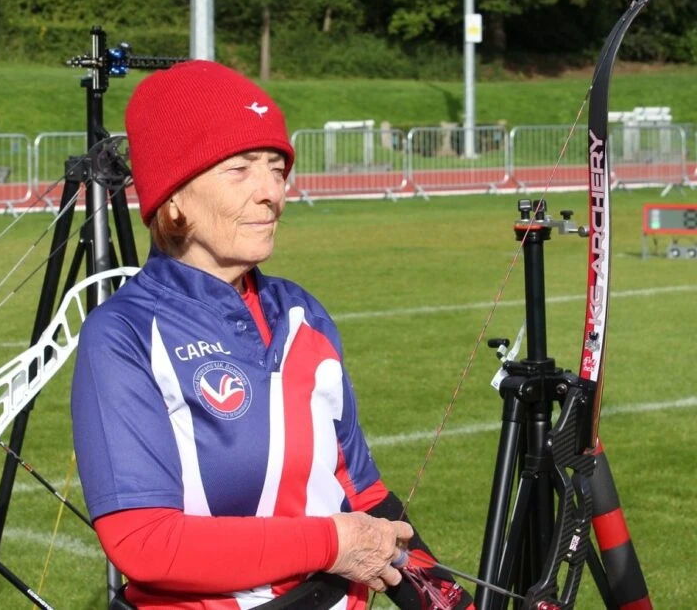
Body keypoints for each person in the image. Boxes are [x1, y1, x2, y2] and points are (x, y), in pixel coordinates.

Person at [71, 61, 474, 610]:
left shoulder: (302, 312)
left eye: (276, 166)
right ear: (174, 199)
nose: (272, 192)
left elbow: (365, 495)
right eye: (239, 169)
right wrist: (331, 543)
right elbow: (143, 543)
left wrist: (451, 603)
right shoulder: (122, 334)